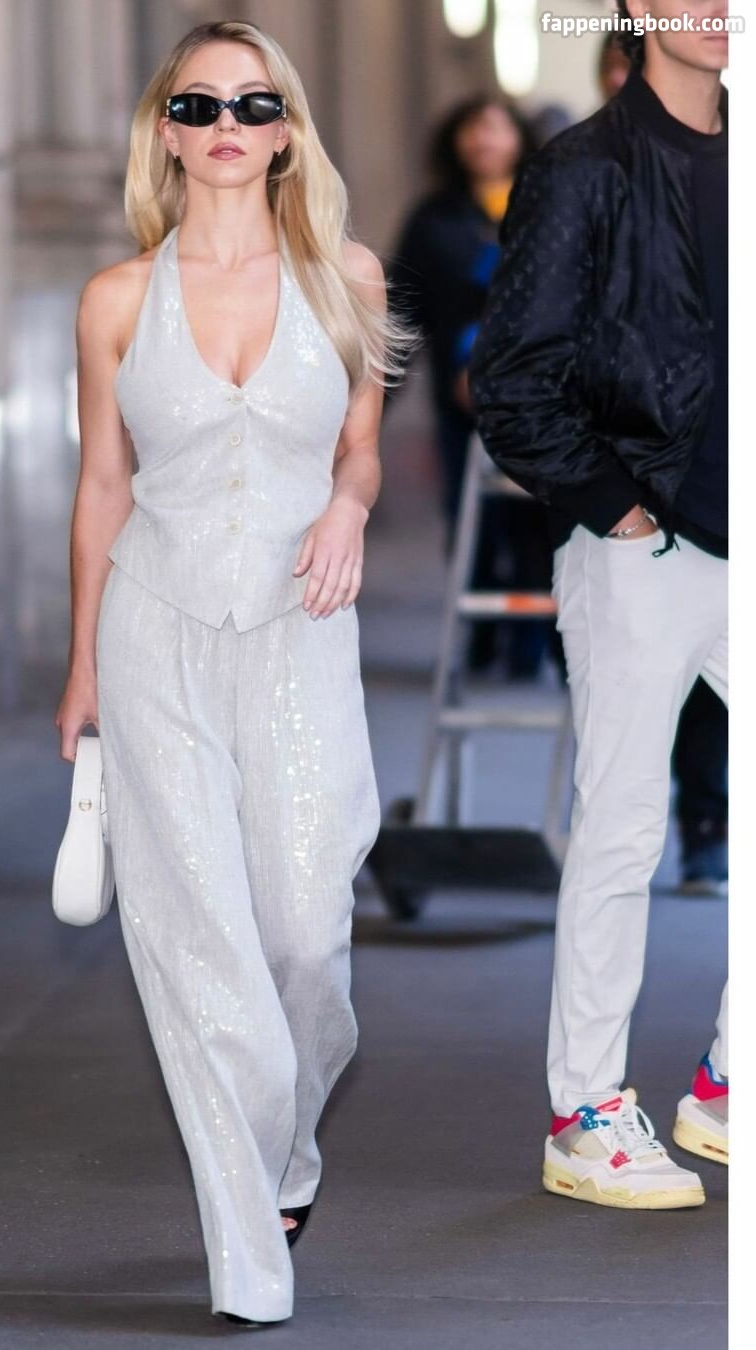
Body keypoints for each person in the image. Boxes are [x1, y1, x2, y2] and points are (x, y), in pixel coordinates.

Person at [55, 20, 410, 1326]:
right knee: (199, 939)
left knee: (307, 939)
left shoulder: (347, 278)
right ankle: (249, 1255)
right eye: (199, 106)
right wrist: (81, 663)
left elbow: (360, 449)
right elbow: (102, 487)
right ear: (166, 129)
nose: (225, 128)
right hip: (155, 632)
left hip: (302, 627)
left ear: (286, 132)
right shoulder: (114, 299)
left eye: (253, 106)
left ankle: (289, 1149)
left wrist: (350, 507)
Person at [470, 0, 729, 1207]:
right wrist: (612, 508)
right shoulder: (583, 168)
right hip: (642, 542)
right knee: (624, 827)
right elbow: (513, 375)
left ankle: (726, 1087)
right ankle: (585, 1111)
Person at [595, 28, 729, 898]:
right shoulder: (588, 174)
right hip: (649, 507)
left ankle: (708, 824)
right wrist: (618, 510)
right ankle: (699, 826)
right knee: (630, 775)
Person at [384, 96, 554, 679]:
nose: (484, 140)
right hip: (458, 403)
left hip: (536, 401)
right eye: (473, 130)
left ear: (519, 138)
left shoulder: (547, 205)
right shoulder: (434, 218)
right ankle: (480, 640)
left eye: (497, 129)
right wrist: (371, 404)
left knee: (532, 521)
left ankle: (530, 646)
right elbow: (402, 312)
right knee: (469, 520)